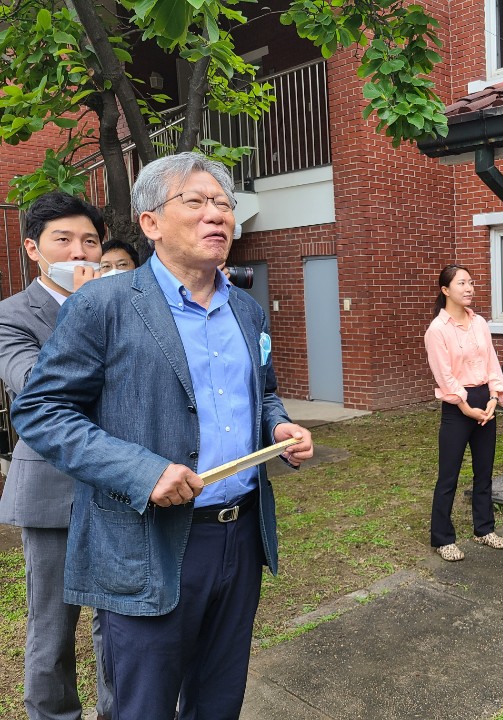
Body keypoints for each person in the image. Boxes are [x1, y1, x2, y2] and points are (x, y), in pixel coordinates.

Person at [11, 152, 314, 720]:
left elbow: (264, 391)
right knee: (143, 704)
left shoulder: (246, 310)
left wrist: (278, 423)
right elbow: (41, 410)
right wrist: (142, 472)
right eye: (195, 202)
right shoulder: (105, 304)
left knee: (219, 697)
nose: (216, 215)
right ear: (150, 222)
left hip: (239, 534)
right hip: (148, 543)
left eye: (224, 204)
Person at [0, 191, 113, 720]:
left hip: (121, 484)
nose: (79, 252)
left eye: (89, 240)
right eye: (62, 240)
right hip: (51, 488)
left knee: (119, 620)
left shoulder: (121, 302)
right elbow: (34, 389)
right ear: (33, 249)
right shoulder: (11, 315)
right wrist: (86, 314)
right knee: (52, 628)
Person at [424, 264, 503, 561]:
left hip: (484, 399)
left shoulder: (480, 323)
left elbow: (492, 362)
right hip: (456, 405)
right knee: (448, 475)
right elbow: (444, 375)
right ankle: (442, 538)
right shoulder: (437, 330)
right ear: (445, 290)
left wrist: (493, 397)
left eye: (471, 283)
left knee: (484, 472)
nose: (469, 288)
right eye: (462, 283)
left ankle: (484, 529)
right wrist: (465, 407)